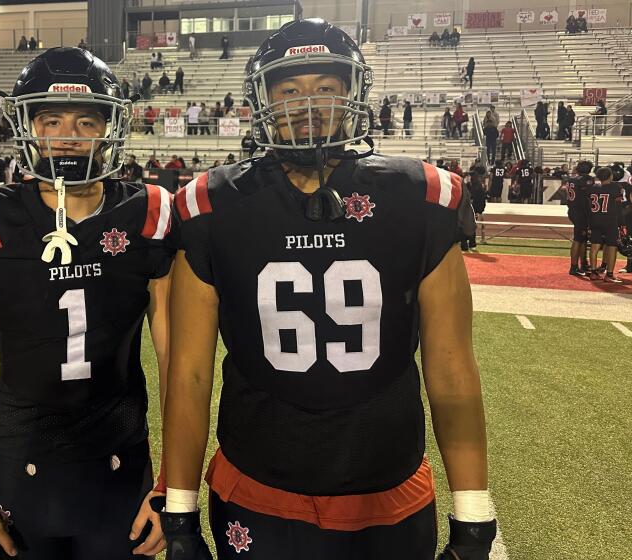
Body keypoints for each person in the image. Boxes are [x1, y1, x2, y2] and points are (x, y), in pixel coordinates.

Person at [157, 18, 496, 560]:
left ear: (354, 94)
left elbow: (453, 368)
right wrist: (179, 512)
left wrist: (474, 517)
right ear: (261, 100)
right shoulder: (211, 206)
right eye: (289, 89)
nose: (306, 104)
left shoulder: (420, 198)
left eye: (326, 89)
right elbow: (191, 373)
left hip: (385, 484)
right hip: (257, 482)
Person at [0, 47, 174, 560]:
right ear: (27, 125)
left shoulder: (149, 214)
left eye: (86, 120)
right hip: (23, 474)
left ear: (110, 128)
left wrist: (175, 488)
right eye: (51, 119)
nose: (68, 134)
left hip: (120, 471)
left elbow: (180, 367)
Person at [587, 167, 624, 282]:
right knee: (612, 246)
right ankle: (609, 274)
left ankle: (593, 272)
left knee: (594, 245)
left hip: (595, 220)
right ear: (611, 176)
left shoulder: (592, 187)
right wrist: (621, 223)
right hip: (610, 220)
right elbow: (619, 206)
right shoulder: (615, 187)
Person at [564, 160, 594, 275]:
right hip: (581, 212)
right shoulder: (586, 180)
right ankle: (574, 266)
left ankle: (583, 263)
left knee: (582, 238)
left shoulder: (571, 179)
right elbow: (590, 193)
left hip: (573, 210)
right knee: (578, 239)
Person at [462, 169, 486, 251]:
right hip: (468, 209)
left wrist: (479, 211)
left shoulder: (478, 186)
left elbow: (481, 199)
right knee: (467, 226)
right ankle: (467, 244)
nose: (470, 178)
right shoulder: (469, 185)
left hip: (474, 209)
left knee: (469, 226)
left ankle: (469, 243)